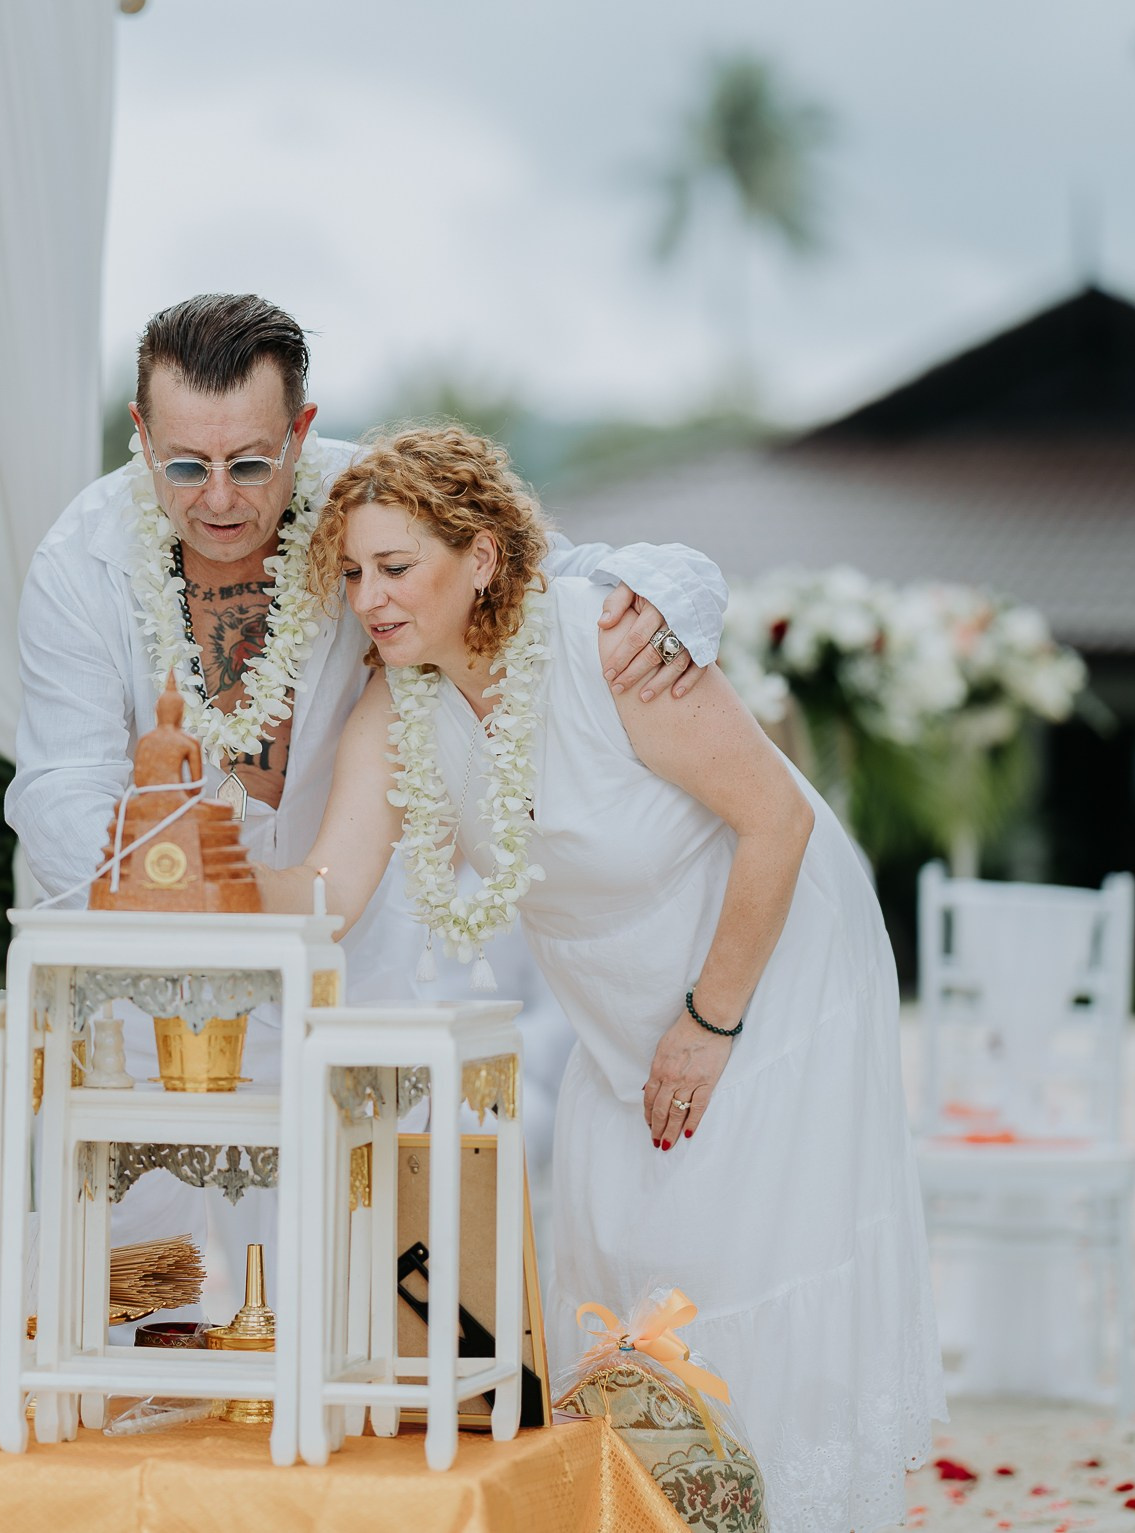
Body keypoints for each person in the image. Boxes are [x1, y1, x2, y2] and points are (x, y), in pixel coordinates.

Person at [262, 427, 943, 1533]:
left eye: (394, 566)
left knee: (739, 1261)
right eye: (349, 573)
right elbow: (326, 892)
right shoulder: (398, 712)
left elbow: (777, 821)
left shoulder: (605, 648)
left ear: (481, 557)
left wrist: (711, 1021)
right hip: (616, 1015)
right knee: (625, 1259)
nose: (368, 599)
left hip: (772, 974)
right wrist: (202, 874)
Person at [7, 294, 730, 1303]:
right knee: (116, 1293)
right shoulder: (78, 563)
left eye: (250, 464)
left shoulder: (371, 507)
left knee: (344, 1298)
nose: (218, 498)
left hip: (346, 975)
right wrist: (181, 901)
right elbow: (60, 790)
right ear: (139, 434)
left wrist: (675, 595)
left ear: (301, 432)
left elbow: (542, 571)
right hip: (137, 998)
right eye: (184, 466)